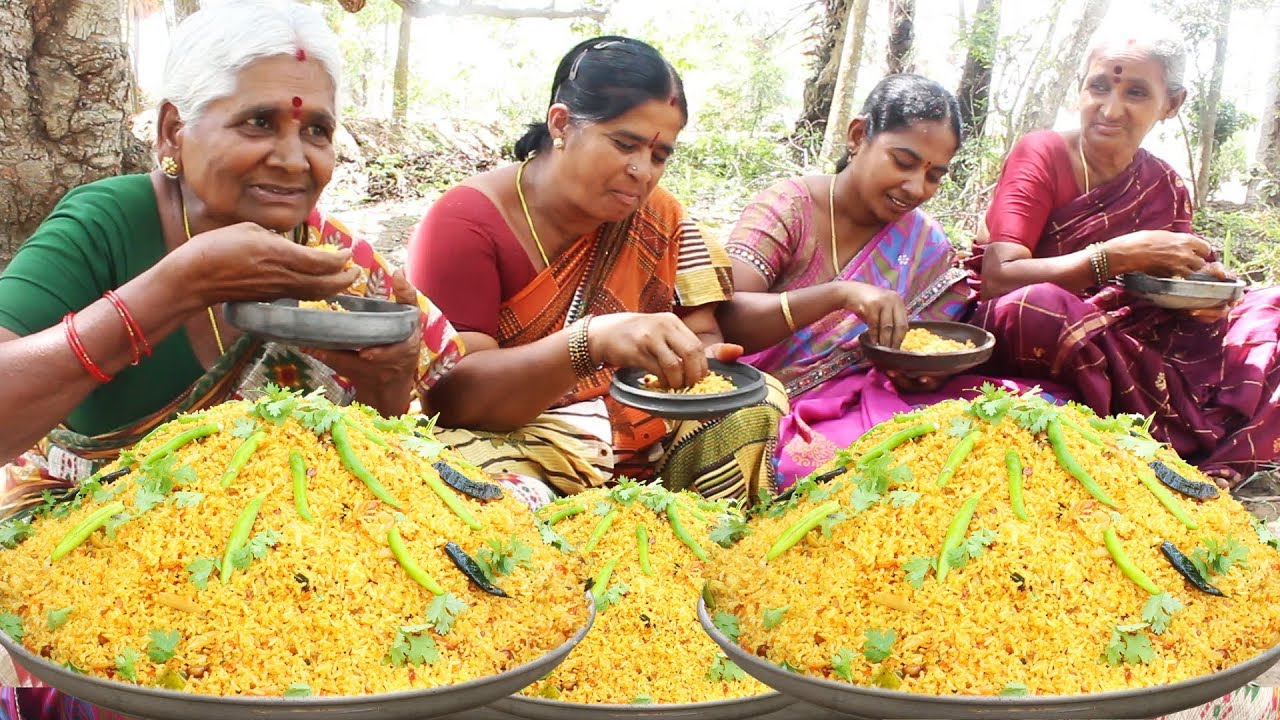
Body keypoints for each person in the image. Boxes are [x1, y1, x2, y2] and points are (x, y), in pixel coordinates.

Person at [0, 2, 461, 709]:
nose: (292, 155)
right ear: (172, 132)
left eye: (316, 130)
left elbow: (377, 457)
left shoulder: (339, 260)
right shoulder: (106, 222)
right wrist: (173, 289)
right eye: (258, 122)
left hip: (287, 560)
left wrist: (391, 383)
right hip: (101, 545)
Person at [408, 36, 786, 506]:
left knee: (755, 401)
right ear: (561, 124)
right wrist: (591, 342)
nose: (642, 171)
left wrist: (698, 361)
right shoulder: (466, 221)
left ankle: (695, 547)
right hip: (510, 438)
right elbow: (452, 400)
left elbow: (700, 332)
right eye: (624, 144)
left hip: (628, 422)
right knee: (468, 481)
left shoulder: (659, 218)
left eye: (660, 155)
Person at [969, 29, 1280, 486]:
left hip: (1129, 332)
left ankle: (1207, 456)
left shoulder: (1165, 183)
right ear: (1080, 89)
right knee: (1036, 306)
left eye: (1136, 92)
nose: (1111, 109)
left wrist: (1207, 293)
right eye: (1099, 86)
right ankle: (1168, 435)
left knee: (1270, 308)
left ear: (1171, 104)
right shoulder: (1043, 153)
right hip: (1045, 325)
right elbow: (999, 278)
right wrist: (1114, 256)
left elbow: (1170, 284)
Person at [717, 75, 986, 489]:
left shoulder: (925, 245)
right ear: (858, 136)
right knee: (828, 471)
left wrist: (922, 373)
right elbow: (727, 319)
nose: (916, 187)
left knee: (981, 436)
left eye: (934, 175)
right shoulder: (790, 207)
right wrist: (840, 295)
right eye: (904, 161)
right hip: (762, 402)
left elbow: (931, 340)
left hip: (867, 395)